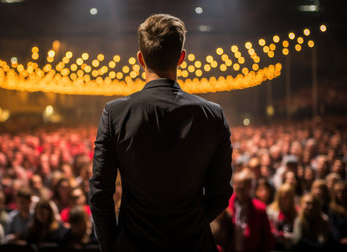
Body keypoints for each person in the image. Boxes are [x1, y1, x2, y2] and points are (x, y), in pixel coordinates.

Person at [90, 13, 233, 252]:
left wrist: (111, 245)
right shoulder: (212, 114)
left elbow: (100, 193)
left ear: (140, 59)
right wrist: (190, 225)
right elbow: (221, 193)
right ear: (181, 58)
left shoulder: (115, 113)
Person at [228, 170, 274, 252]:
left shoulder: (259, 209)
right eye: (237, 184)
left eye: (244, 184)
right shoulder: (226, 206)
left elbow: (267, 237)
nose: (240, 187)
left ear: (250, 186)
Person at [266, 183, 298, 250]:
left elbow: (298, 232)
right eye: (283, 197)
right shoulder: (271, 211)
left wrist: (289, 236)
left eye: (287, 197)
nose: (285, 200)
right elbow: (270, 229)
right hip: (276, 245)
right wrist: (281, 235)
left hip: (293, 246)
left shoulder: (297, 212)